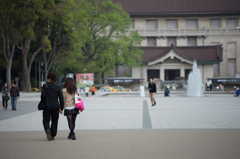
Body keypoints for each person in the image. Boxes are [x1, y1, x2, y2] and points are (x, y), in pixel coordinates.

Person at [42, 72, 64, 141]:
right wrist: (61, 108)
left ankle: (47, 129)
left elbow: (42, 96)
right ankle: (53, 134)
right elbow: (61, 98)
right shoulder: (58, 87)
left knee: (46, 120)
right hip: (55, 107)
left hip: (47, 106)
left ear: (49, 78)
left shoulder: (45, 86)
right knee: (54, 121)